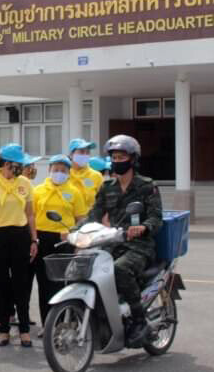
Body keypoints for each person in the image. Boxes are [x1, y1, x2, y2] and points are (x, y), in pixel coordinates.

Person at [81, 135, 164, 347]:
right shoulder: (107, 187)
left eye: (122, 157)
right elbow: (94, 214)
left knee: (119, 270)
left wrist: (144, 227)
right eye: (114, 157)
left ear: (133, 159)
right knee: (87, 267)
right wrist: (74, 230)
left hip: (140, 245)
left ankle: (139, 321)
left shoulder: (147, 186)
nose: (117, 161)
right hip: (113, 242)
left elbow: (156, 217)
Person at [0, 143, 38, 347]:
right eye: (16, 164)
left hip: (20, 234)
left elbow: (30, 214)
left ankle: (24, 330)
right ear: (5, 163)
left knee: (21, 283)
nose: (20, 167)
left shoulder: (25, 183)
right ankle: (3, 329)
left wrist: (34, 239)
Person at [32, 155, 88, 325]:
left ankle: (65, 322)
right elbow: (31, 216)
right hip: (42, 238)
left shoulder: (74, 192)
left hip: (65, 241)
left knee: (64, 283)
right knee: (44, 283)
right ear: (49, 170)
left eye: (63, 170)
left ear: (69, 172)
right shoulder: (38, 190)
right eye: (55, 169)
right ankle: (47, 324)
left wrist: (75, 236)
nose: (59, 173)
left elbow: (81, 218)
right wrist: (33, 239)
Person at [67, 138, 104, 210]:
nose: (85, 155)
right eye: (81, 152)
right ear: (71, 154)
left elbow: (103, 201)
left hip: (90, 219)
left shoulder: (96, 176)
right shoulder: (64, 175)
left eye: (87, 152)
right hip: (68, 218)